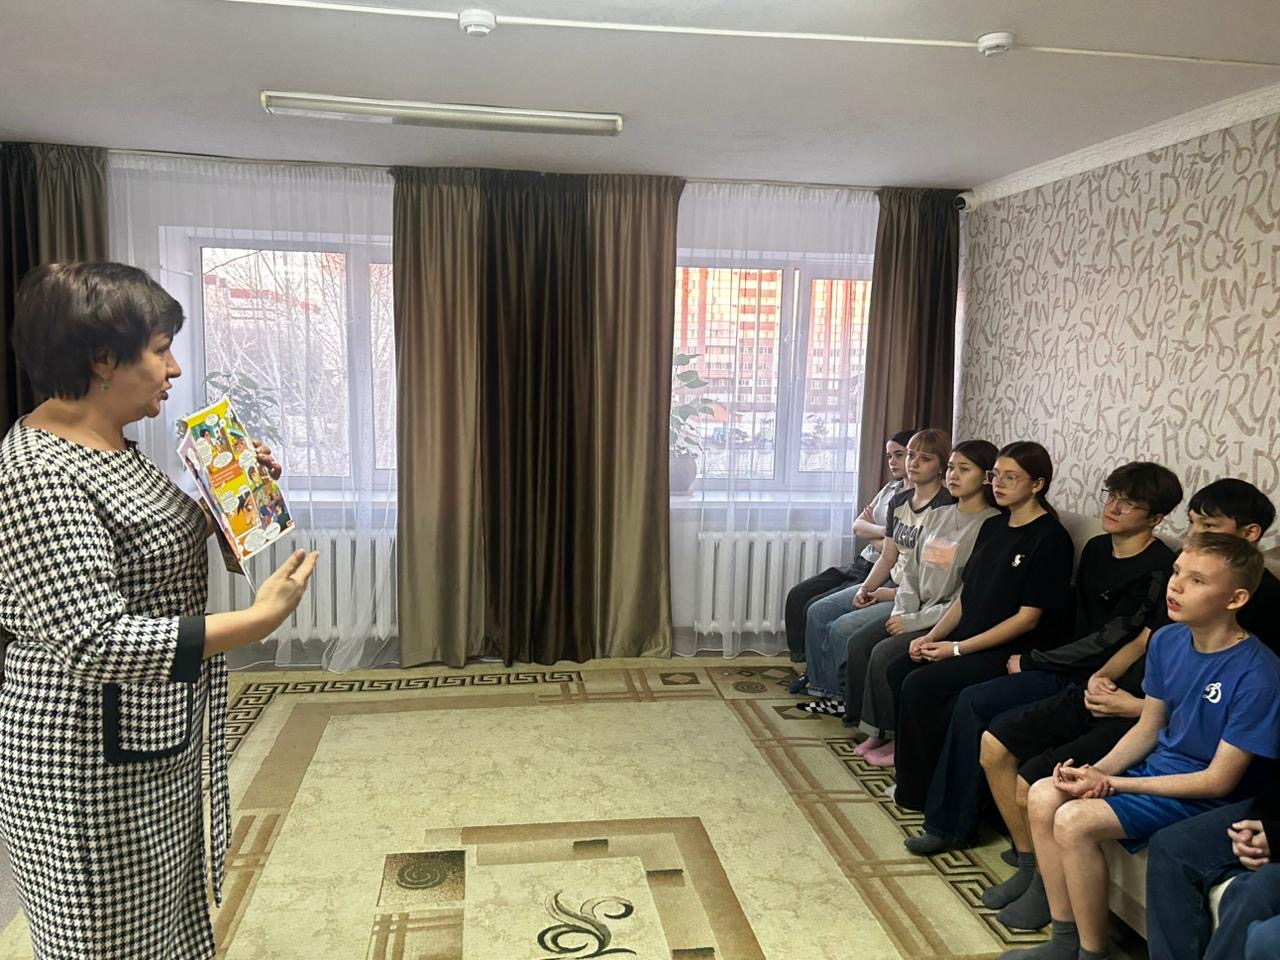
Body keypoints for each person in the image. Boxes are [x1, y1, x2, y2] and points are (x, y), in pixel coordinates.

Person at [0, 262, 319, 958]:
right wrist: (259, 620)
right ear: (103, 358)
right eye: (160, 349)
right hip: (84, 760)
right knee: (109, 936)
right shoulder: (38, 471)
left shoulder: (114, 446)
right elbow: (95, 639)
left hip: (149, 729)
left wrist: (233, 498)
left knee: (166, 920)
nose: (173, 369)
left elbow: (147, 546)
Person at [983, 478, 1280, 930]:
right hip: (1158, 764)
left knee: (1074, 818)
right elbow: (1149, 726)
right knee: (1044, 791)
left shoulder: (1260, 671)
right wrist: (1097, 771)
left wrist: (1112, 783)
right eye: (1177, 573)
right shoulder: (1168, 640)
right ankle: (1064, 931)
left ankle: (1089, 947)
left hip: (1201, 788)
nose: (1176, 587)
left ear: (1237, 598)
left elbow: (1219, 778)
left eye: (1196, 580)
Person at [903, 463, 1181, 856]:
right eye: (1113, 496)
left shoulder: (1159, 567)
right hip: (1063, 663)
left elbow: (1118, 637)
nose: (1114, 507)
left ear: (1156, 518)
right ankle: (949, 822)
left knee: (978, 705)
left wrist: (1037, 660)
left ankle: (959, 827)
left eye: (1129, 504)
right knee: (969, 700)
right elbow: (1074, 618)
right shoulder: (1097, 548)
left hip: (1096, 677)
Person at [886, 441, 1075, 804]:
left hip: (1009, 649)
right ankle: (918, 778)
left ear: (1037, 484)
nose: (998, 484)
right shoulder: (994, 526)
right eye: (995, 475)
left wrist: (956, 648)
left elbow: (1027, 619)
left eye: (1011, 477)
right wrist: (932, 636)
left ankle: (922, 792)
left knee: (921, 685)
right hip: (969, 636)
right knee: (900, 668)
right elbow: (967, 596)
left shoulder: (1050, 538)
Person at [843, 440, 1001, 765]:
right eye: (952, 467)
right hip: (912, 609)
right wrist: (904, 611)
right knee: (861, 642)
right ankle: (878, 729)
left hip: (944, 619)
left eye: (964, 469)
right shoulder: (939, 515)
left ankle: (896, 737)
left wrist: (914, 622)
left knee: (885, 654)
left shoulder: (991, 525)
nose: (953, 475)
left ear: (986, 477)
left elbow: (965, 596)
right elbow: (912, 571)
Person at [797, 428, 952, 704]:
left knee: (842, 628)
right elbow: (888, 557)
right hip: (890, 581)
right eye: (911, 456)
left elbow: (934, 579)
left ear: (941, 466)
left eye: (925, 458)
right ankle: (824, 690)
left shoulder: (946, 509)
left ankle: (841, 698)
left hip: (913, 594)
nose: (913, 463)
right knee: (819, 611)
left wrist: (887, 594)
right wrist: (866, 588)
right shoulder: (899, 501)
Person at [783, 428, 913, 672]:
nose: (892, 462)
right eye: (889, 456)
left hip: (881, 570)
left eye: (899, 455)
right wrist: (886, 533)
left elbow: (894, 549)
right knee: (799, 594)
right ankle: (808, 665)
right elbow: (857, 526)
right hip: (862, 561)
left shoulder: (920, 501)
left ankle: (821, 673)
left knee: (816, 606)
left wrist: (877, 536)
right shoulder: (890, 489)